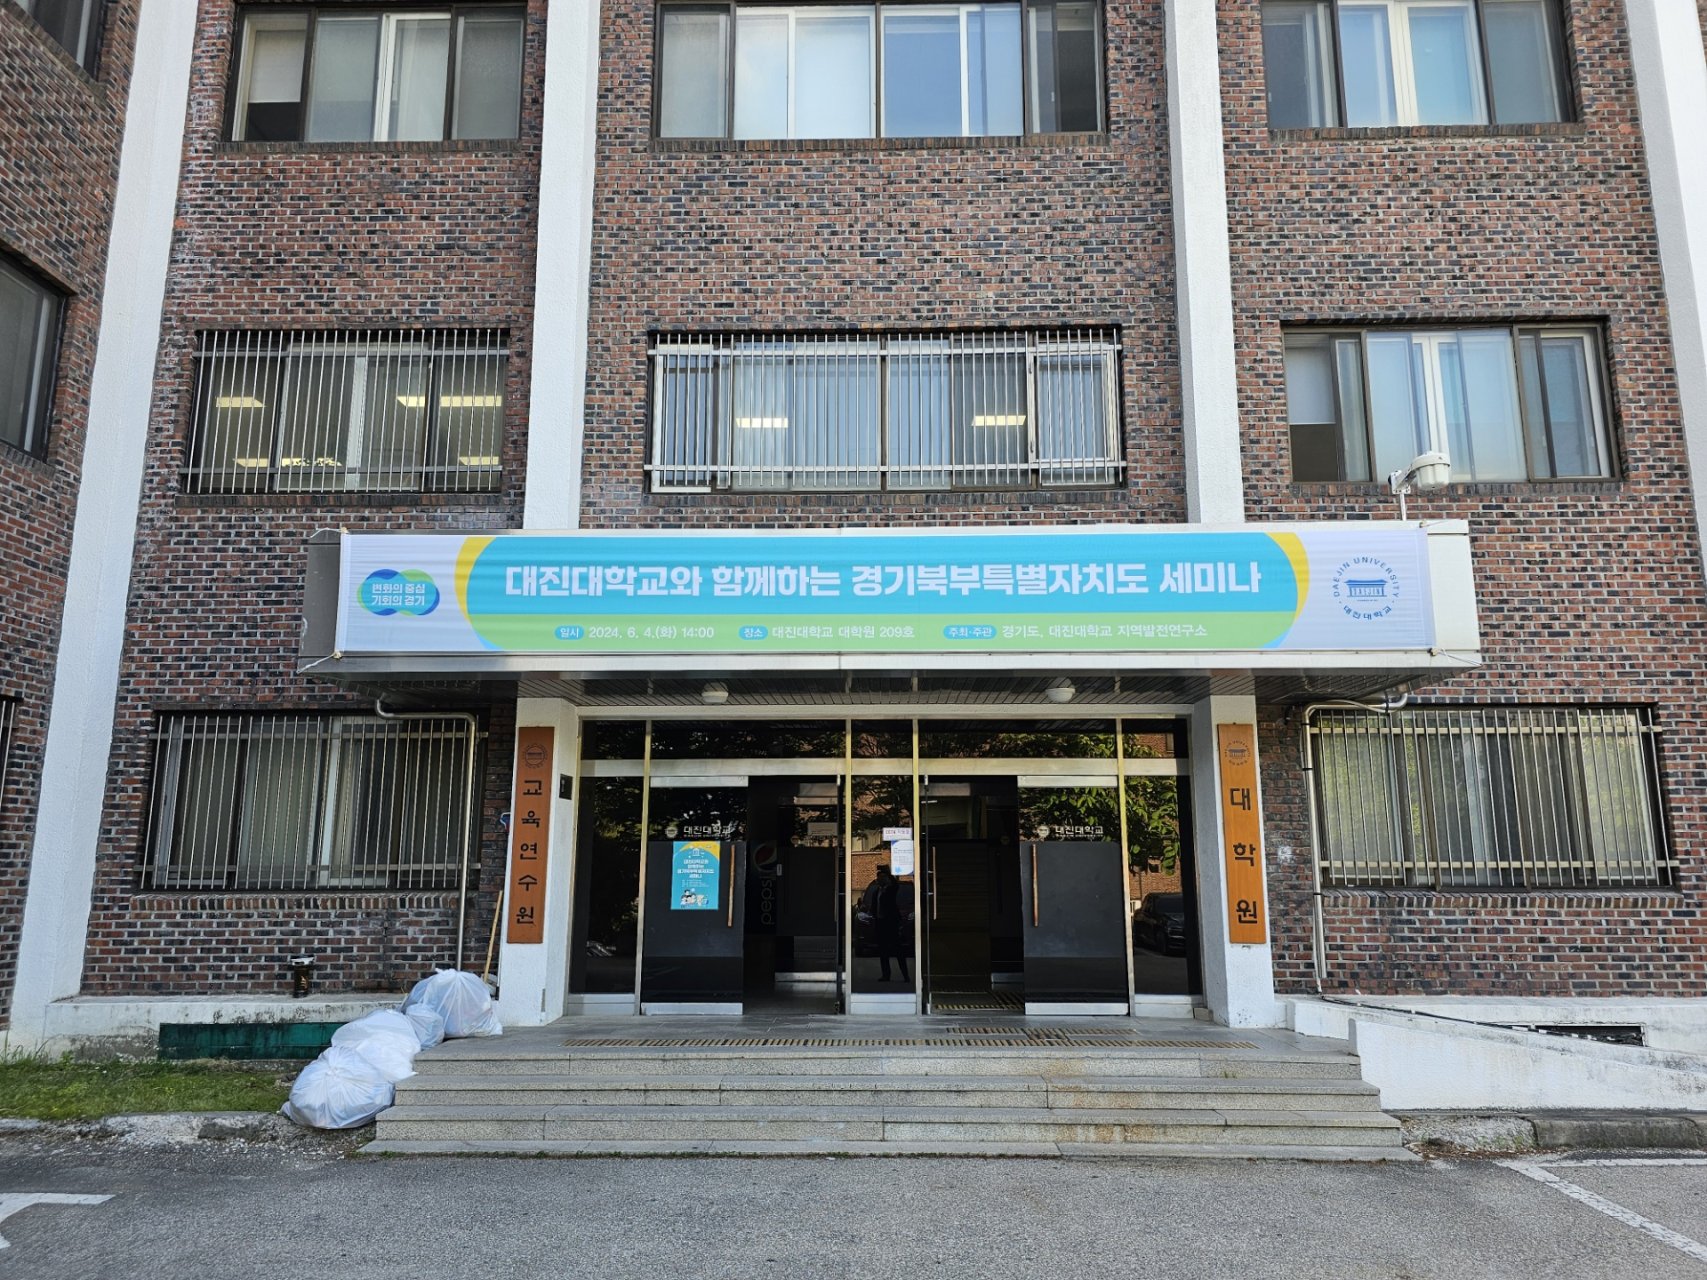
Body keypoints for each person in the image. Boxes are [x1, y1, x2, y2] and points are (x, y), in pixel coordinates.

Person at [859, 865, 910, 983]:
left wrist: (888, 872)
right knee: (883, 951)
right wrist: (868, 911)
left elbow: (895, 884)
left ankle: (905, 975)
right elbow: (873, 907)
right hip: (880, 924)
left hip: (891, 924)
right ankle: (886, 975)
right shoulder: (876, 892)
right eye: (880, 877)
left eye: (883, 877)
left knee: (898, 950)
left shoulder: (891, 890)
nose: (881, 879)